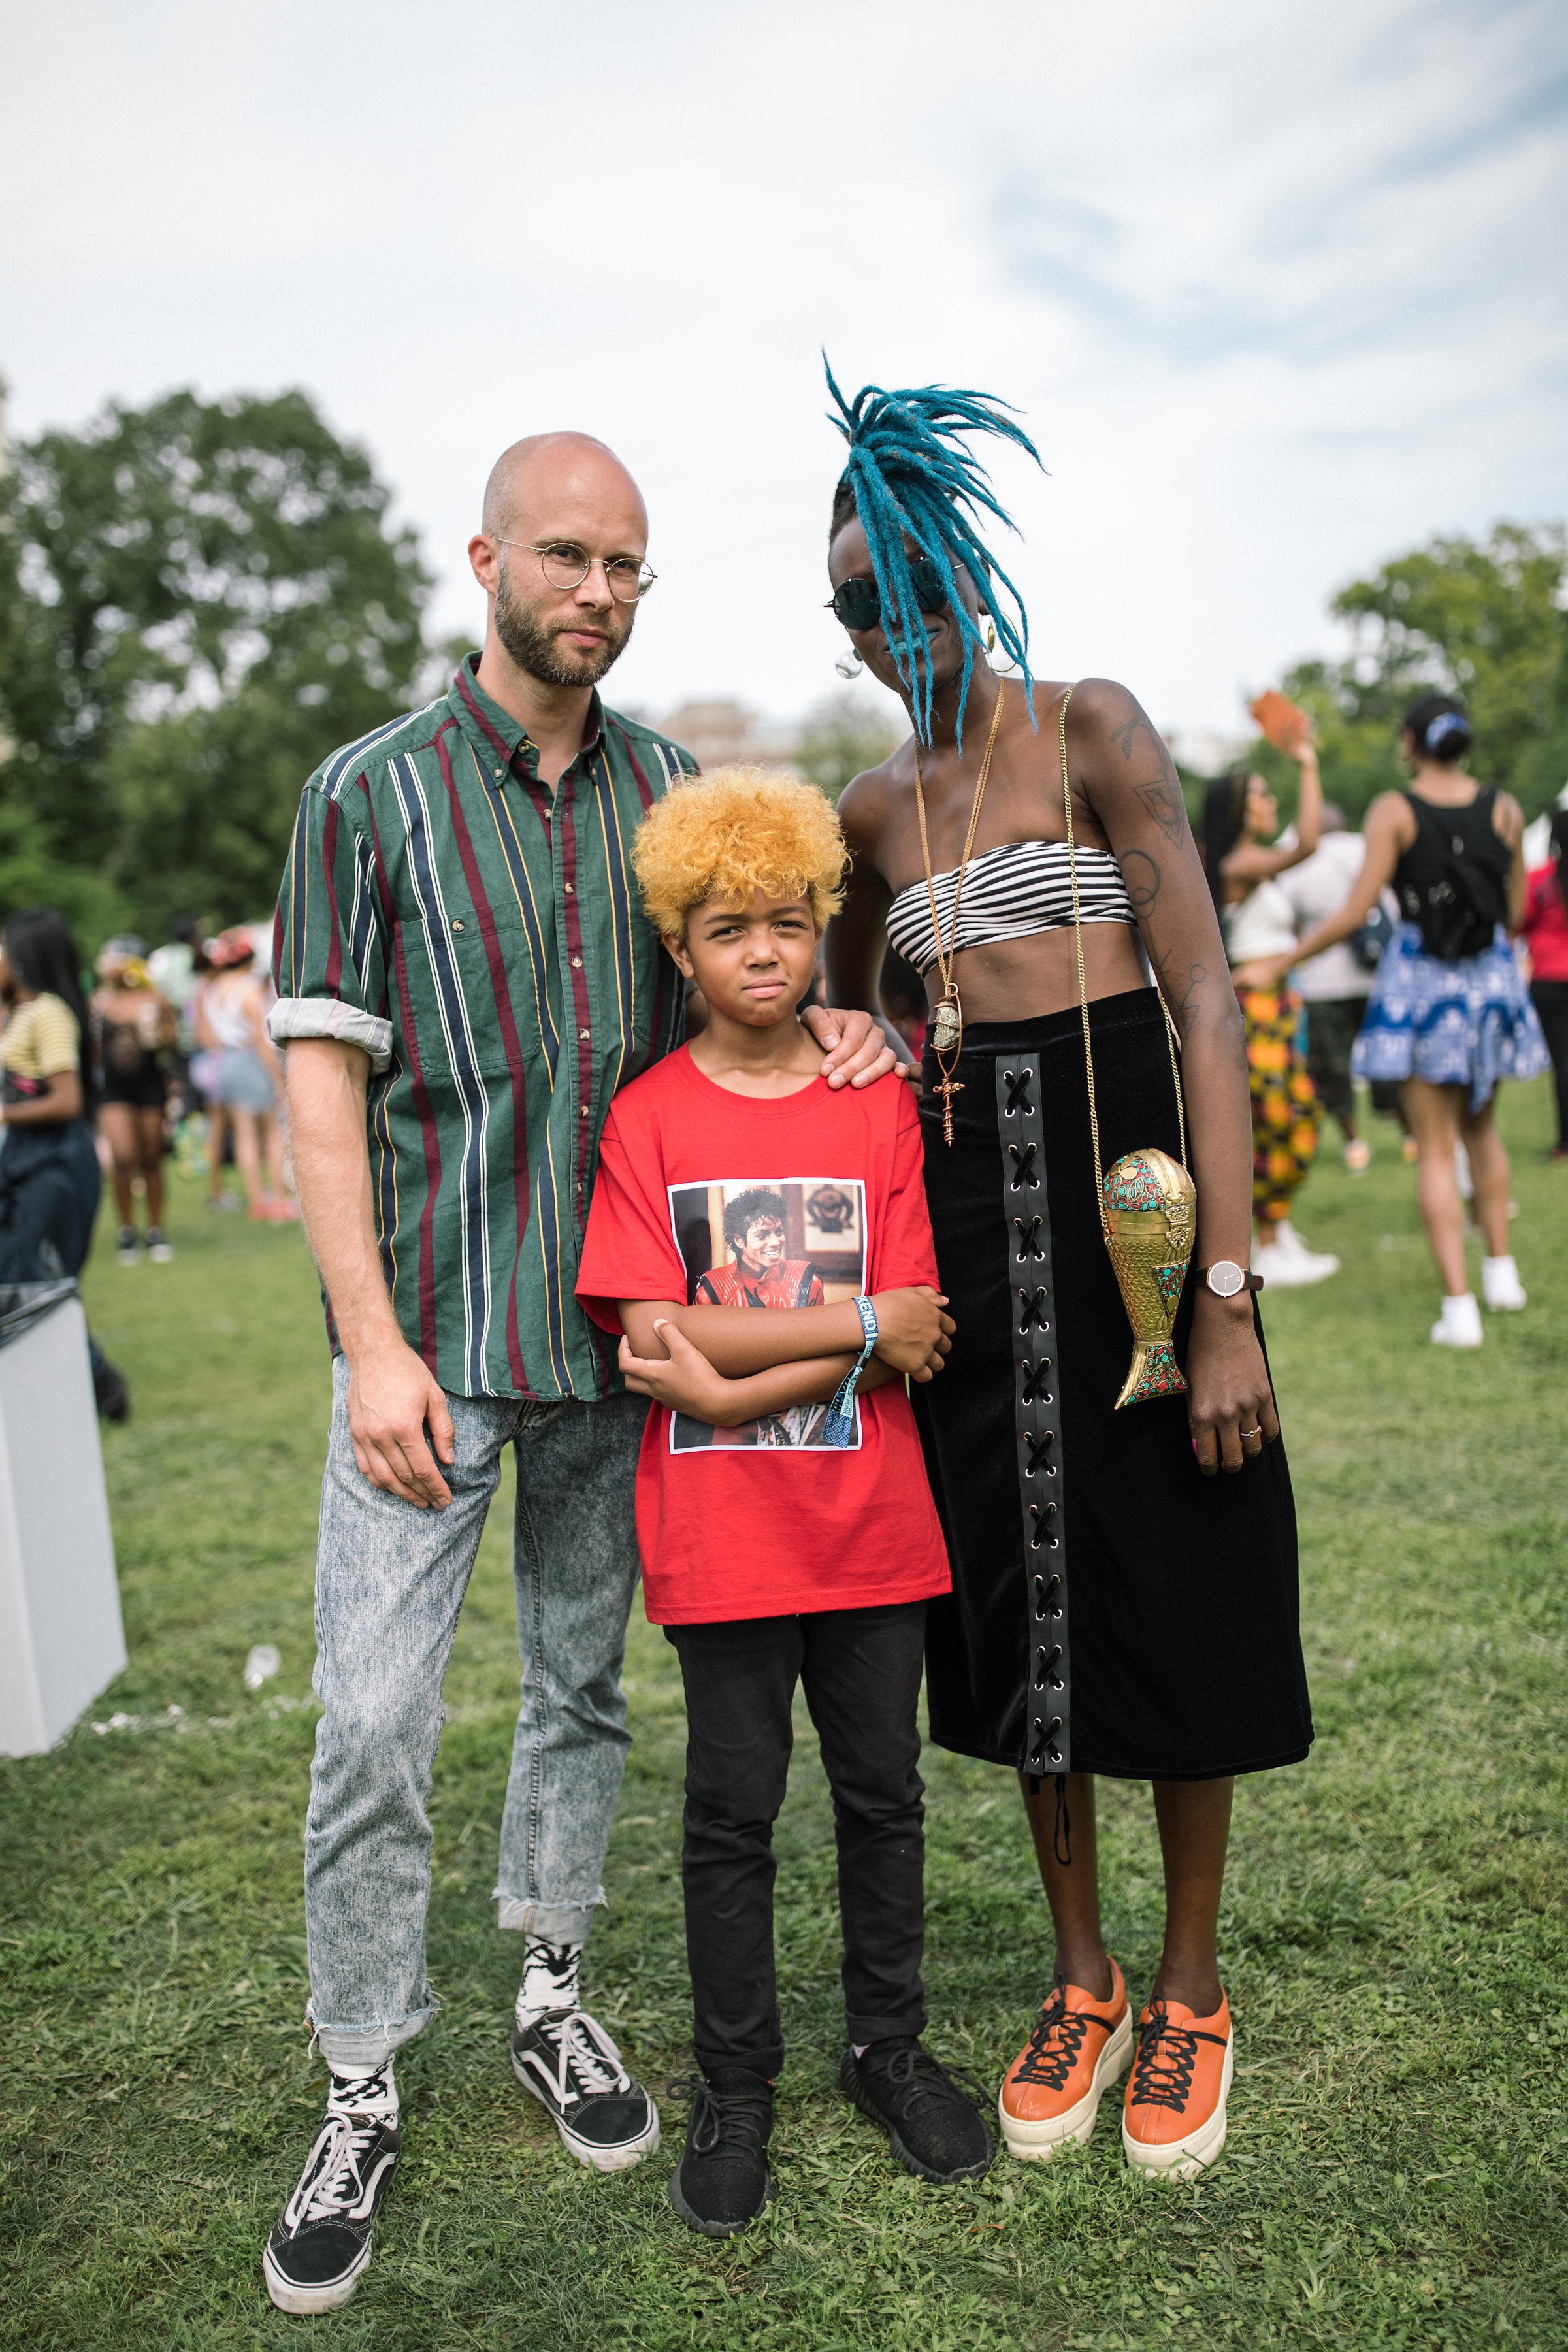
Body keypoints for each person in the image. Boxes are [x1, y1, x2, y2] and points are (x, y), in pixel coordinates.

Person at [259, 431, 898, 2315]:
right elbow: (322, 1087)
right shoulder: (363, 797)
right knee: (371, 1724)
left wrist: (840, 1012)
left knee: (579, 1700)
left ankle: (552, 1990)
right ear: (484, 562)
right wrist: (371, 1347)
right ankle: (363, 2071)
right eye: (565, 558)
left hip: (627, 1353)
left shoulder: (677, 794)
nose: (598, 593)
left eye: (627, 566)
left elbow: (748, 978)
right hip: (434, 1360)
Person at [820, 368, 1311, 2184]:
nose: (899, 629)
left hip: (1143, 1228)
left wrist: (1230, 1297)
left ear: (975, 567)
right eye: (865, 606)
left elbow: (1204, 998)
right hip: (979, 1247)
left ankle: (1190, 1983)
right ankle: (1081, 1973)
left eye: (923, 586)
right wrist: (882, 1055)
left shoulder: (1091, 731)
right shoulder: (875, 811)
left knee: (1183, 1570)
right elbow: (863, 997)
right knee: (1028, 1603)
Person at [576, 764, 989, 2236]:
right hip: (722, 1542)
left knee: (883, 1800)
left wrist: (744, 1370)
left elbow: (923, 1316)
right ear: (679, 945)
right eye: (730, 926)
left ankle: (890, 2050)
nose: (767, 952)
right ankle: (737, 2082)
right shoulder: (647, 1122)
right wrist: (851, 1329)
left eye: (794, 923)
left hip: (873, 1530)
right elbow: (647, 1336)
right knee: (730, 1817)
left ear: (825, 929)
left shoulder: (866, 1097)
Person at [1250, 694, 1548, 1347]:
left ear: (1410, 742)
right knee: (1484, 1132)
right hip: (1488, 982)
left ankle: (1460, 1310)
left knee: (1436, 1150)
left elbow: (1357, 914)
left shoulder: (1396, 809)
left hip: (1424, 988)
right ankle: (1502, 1275)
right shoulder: (1504, 807)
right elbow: (1516, 911)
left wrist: (1286, 960)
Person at [1203, 754, 1338, 1286]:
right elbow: (1307, 843)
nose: (1269, 802)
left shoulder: (1247, 860)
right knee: (1279, 1117)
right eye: (1261, 794)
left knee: (1291, 1113)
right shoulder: (1237, 864)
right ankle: (1269, 1239)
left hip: (1280, 1005)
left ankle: (1277, 1231)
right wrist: (1308, 764)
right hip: (1257, 1008)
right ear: (1238, 808)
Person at [0, 908, 128, 1420]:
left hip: (54, 1160)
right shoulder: (19, 1012)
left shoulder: (49, 1012)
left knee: (39, 1280)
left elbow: (68, 1100)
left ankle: (102, 1387)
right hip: (25, 1157)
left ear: (26, 956)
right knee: (17, 1275)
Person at [1274, 804, 1385, 1172]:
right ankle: (1412, 1135)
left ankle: (1354, 1143)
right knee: (1386, 1059)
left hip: (1324, 982)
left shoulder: (1303, 861)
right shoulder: (1367, 848)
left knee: (1335, 1068)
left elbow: (1286, 918)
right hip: (1376, 974)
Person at [191, 931, 295, 1222]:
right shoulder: (249, 987)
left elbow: (205, 1033)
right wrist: (278, 1077)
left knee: (243, 1132)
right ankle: (278, 1198)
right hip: (251, 1060)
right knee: (272, 1131)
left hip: (225, 1060)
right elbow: (261, 1038)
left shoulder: (212, 987)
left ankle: (256, 1199)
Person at [90, 937, 177, 1264]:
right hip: (113, 1089)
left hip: (150, 1086)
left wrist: (157, 1030)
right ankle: (126, 1230)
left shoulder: (155, 998)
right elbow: (92, 1050)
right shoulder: (99, 1002)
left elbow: (172, 1044)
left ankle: (155, 1229)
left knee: (152, 1157)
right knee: (124, 1157)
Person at [1521, 809, 1568, 1162]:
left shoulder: (1540, 880)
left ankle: (1565, 1142)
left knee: (1563, 1062)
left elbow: (1519, 921)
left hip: (1549, 978)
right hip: (1550, 977)